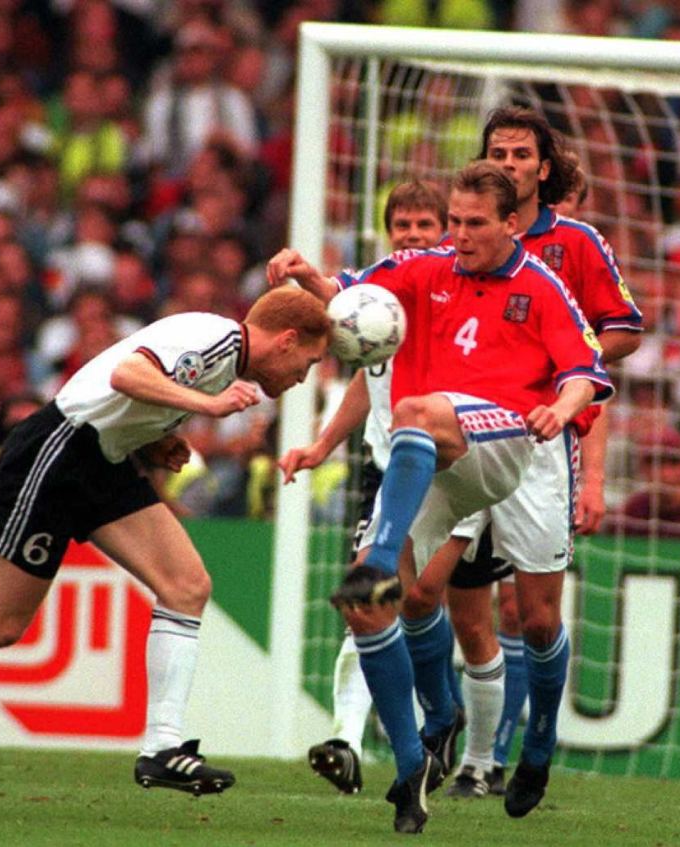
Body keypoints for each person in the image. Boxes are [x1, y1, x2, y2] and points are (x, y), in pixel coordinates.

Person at [0, 286, 331, 803]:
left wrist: (158, 438)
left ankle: (161, 746)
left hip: (104, 459)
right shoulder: (214, 339)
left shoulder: (226, 360)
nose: (301, 377)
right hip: (57, 453)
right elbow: (125, 375)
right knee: (0, 623)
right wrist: (207, 406)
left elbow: (127, 396)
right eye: (306, 363)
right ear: (287, 341)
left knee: (187, 585)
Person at [268, 160, 613, 833]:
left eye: (473, 223)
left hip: (518, 446)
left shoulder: (539, 286)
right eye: (452, 221)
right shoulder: (426, 269)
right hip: (432, 444)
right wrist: (310, 277)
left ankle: (537, 742)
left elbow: (585, 371)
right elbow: (351, 292)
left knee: (538, 621)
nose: (457, 235)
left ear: (511, 223)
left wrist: (562, 406)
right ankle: (411, 764)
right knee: (365, 602)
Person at [437, 110, 641, 801]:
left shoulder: (575, 243)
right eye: (499, 151)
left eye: (522, 154)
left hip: (542, 441)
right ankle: (465, 745)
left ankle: (539, 736)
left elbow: (623, 331)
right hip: (465, 440)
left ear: (543, 167)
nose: (511, 162)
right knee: (442, 599)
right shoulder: (460, 239)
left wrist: (563, 360)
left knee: (537, 616)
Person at [284, 179, 463, 796]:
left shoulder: (454, 294)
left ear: (447, 229)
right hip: (387, 471)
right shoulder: (376, 299)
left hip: (454, 470)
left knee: (425, 602)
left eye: (424, 225)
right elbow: (368, 378)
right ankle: (348, 738)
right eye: (402, 226)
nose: (412, 236)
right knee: (370, 593)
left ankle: (448, 714)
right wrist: (320, 444)